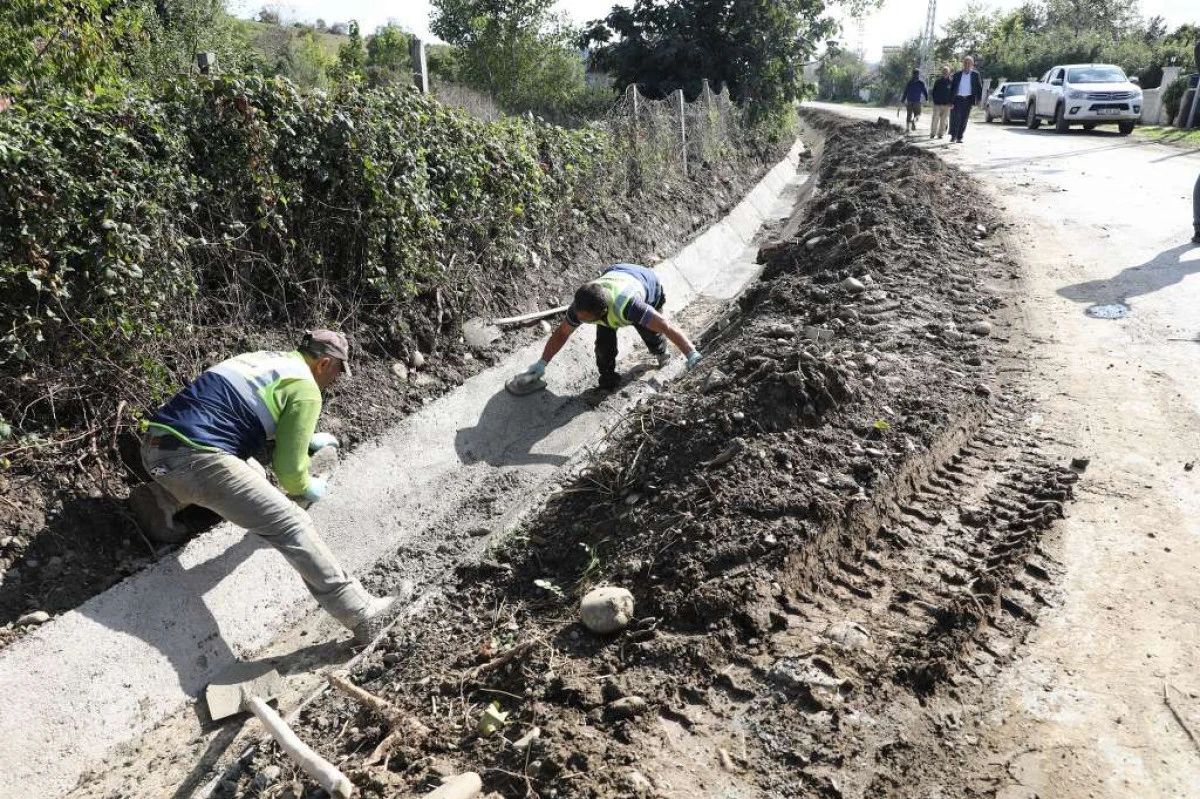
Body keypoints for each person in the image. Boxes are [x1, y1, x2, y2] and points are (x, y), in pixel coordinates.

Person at [129, 330, 395, 644]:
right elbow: (290, 474)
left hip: (155, 448)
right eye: (338, 371)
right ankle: (363, 613)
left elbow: (243, 410)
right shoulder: (306, 388)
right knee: (290, 522)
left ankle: (162, 500)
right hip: (196, 458)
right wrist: (308, 487)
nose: (336, 380)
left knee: (250, 471)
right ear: (324, 363)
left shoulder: (264, 360)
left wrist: (306, 439)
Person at [523, 263, 702, 391]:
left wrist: (691, 353)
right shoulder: (581, 306)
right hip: (618, 271)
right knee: (603, 346)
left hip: (647, 283)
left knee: (651, 332)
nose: (579, 320)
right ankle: (608, 381)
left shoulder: (631, 306)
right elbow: (562, 332)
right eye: (580, 316)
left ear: (603, 312)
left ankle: (661, 353)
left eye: (586, 319)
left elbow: (666, 326)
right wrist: (542, 363)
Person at [948, 56, 984, 143]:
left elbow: (979, 88)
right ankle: (953, 136)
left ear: (972, 64)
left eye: (969, 63)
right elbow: (952, 88)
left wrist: (978, 99)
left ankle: (960, 137)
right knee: (955, 118)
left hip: (968, 99)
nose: (967, 65)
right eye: (965, 63)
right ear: (963, 64)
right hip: (957, 99)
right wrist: (950, 101)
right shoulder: (957, 75)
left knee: (964, 119)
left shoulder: (975, 75)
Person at [930, 65, 954, 139]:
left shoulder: (951, 82)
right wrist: (935, 101)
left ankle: (940, 134)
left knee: (944, 121)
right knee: (935, 119)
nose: (945, 73)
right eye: (944, 71)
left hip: (947, 105)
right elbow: (933, 92)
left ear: (949, 73)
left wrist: (952, 102)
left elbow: (953, 93)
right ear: (942, 72)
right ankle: (933, 133)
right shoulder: (938, 81)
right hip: (937, 104)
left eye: (946, 71)